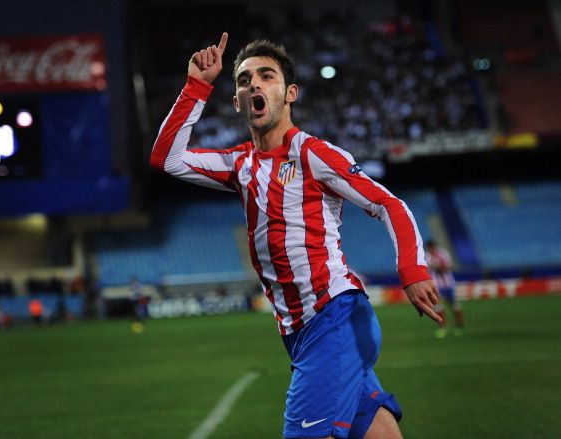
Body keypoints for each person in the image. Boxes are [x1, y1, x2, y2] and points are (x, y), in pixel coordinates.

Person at [150, 32, 441, 439]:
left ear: (289, 93)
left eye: (266, 76)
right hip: (302, 335)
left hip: (333, 318)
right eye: (244, 79)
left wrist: (412, 269)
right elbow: (167, 158)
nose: (254, 83)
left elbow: (388, 204)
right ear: (237, 102)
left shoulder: (313, 153)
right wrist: (196, 86)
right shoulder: (239, 165)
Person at [425, 240, 464, 338]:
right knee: (438, 307)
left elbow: (449, 266)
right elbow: (426, 270)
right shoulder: (427, 257)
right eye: (429, 248)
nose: (430, 250)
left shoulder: (443, 254)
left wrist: (439, 267)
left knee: (455, 305)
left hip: (449, 284)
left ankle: (459, 326)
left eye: (431, 248)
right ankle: (442, 327)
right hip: (436, 286)